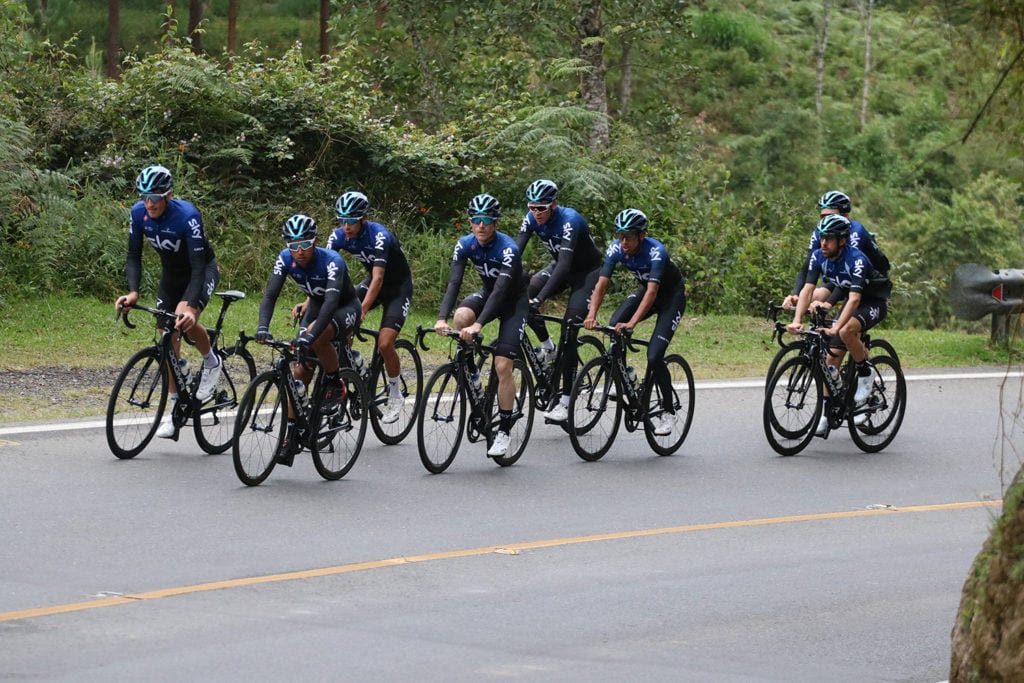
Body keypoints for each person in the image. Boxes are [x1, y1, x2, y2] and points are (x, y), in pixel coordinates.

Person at [115, 164, 222, 439]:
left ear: (168, 196)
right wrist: (133, 292)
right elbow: (132, 256)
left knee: (184, 318)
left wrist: (189, 303)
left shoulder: (187, 216)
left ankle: (211, 361)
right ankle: (175, 406)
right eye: (145, 196)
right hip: (172, 275)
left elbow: (198, 266)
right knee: (165, 336)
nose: (149, 203)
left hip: (201, 271)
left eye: (155, 197)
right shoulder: (138, 213)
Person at [254, 214, 362, 464]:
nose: (299, 251)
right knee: (298, 373)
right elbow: (270, 295)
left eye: (304, 244)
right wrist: (262, 327)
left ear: (315, 242)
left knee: (317, 337)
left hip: (344, 307)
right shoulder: (284, 259)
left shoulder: (332, 261)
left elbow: (332, 303)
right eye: (293, 246)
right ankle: (292, 433)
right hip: (316, 304)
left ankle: (335, 383)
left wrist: (310, 335)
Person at [434, 194, 530, 458]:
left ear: (495, 222)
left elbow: (500, 292)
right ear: (470, 222)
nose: (481, 226)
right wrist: (441, 318)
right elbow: (454, 284)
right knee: (460, 318)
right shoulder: (465, 244)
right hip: (488, 294)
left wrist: (479, 324)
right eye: (476, 220)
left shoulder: (508, 249)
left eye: (487, 220)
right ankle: (472, 371)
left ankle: (505, 429)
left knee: (502, 365)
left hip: (513, 302)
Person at [786, 214, 892, 436]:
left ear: (842, 241)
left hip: (872, 301)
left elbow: (854, 300)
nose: (823, 243)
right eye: (822, 238)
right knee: (829, 361)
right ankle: (826, 413)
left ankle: (865, 374)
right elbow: (807, 289)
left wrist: (835, 328)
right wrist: (797, 320)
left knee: (845, 330)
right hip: (850, 297)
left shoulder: (857, 260)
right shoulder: (818, 256)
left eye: (830, 239)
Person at [583, 209, 686, 437]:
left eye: (628, 236)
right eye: (619, 235)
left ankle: (667, 412)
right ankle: (627, 374)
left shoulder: (656, 252)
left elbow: (652, 293)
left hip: (670, 298)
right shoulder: (616, 248)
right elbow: (601, 285)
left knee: (654, 356)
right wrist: (591, 314)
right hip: (646, 290)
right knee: (613, 325)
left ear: (641, 235)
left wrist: (632, 323)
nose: (623, 242)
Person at [515, 179, 604, 424]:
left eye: (541, 208)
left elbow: (564, 266)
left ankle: (565, 400)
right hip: (559, 267)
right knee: (523, 299)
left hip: (587, 274)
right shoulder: (531, 217)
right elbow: (513, 253)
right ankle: (548, 348)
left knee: (569, 328)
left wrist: (540, 299)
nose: (536, 213)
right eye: (532, 207)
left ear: (554, 204)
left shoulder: (570, 220)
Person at [325, 191, 413, 425]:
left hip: (396, 288)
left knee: (384, 343)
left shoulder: (379, 236)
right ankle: (354, 364)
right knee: (338, 321)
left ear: (363, 218)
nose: (345, 226)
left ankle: (394, 394)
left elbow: (378, 279)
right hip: (372, 282)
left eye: (351, 221)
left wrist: (361, 311)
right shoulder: (339, 236)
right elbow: (326, 271)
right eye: (341, 220)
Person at [783, 190, 889, 310]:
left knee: (843, 324)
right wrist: (795, 294)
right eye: (823, 216)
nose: (826, 221)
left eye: (830, 216)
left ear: (845, 216)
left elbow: (850, 275)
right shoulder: (821, 231)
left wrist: (828, 303)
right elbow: (806, 268)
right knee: (812, 298)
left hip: (869, 279)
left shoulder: (855, 232)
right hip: (841, 275)